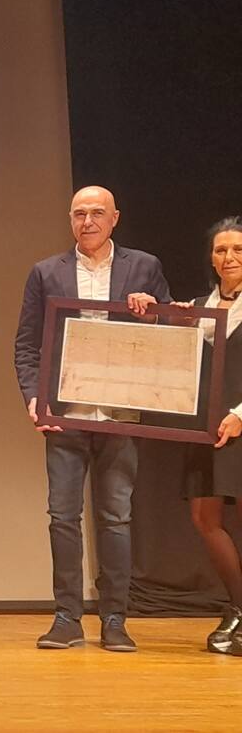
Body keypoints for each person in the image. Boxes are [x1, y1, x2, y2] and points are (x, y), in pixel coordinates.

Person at [14, 185, 169, 652]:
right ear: (70, 219)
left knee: (116, 518)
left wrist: (153, 316)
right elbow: (27, 345)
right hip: (66, 414)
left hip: (121, 413)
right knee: (63, 517)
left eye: (97, 213)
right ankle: (67, 618)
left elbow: (172, 336)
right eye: (79, 213)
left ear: (115, 218)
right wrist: (34, 399)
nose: (88, 221)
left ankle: (115, 619)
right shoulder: (46, 272)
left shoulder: (144, 266)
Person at [181, 216, 242, 656]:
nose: (229, 257)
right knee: (205, 518)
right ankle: (239, 606)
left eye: (238, 249)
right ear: (211, 258)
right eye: (221, 250)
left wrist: (240, 415)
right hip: (206, 428)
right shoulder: (197, 307)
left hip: (239, 422)